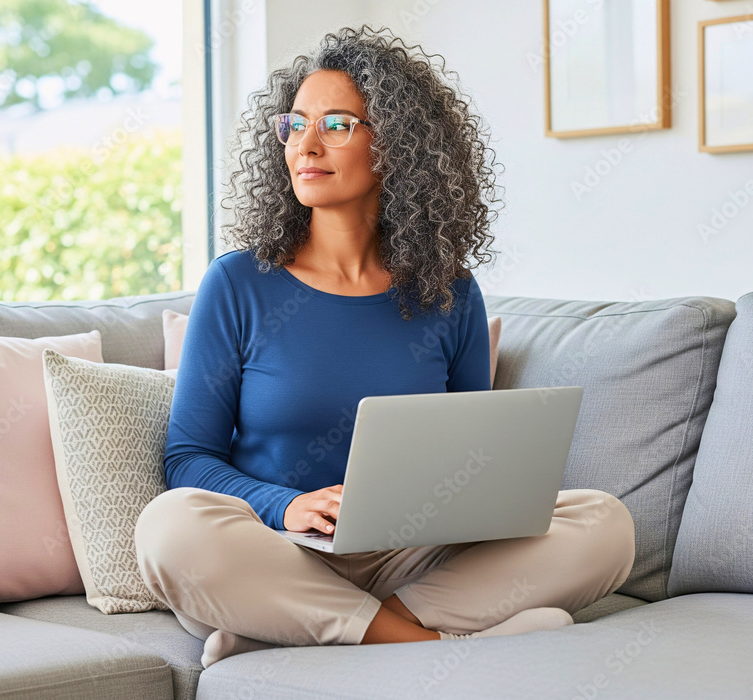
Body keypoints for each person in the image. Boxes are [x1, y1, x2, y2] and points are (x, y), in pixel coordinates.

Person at [134, 24, 636, 669]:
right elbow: (189, 458)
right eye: (295, 124)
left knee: (603, 524)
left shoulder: (448, 291)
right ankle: (432, 647)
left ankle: (308, 634)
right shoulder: (238, 284)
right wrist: (287, 506)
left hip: (415, 560)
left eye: (337, 124)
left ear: (395, 147)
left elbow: (475, 459)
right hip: (276, 552)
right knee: (171, 528)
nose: (306, 145)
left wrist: (472, 502)